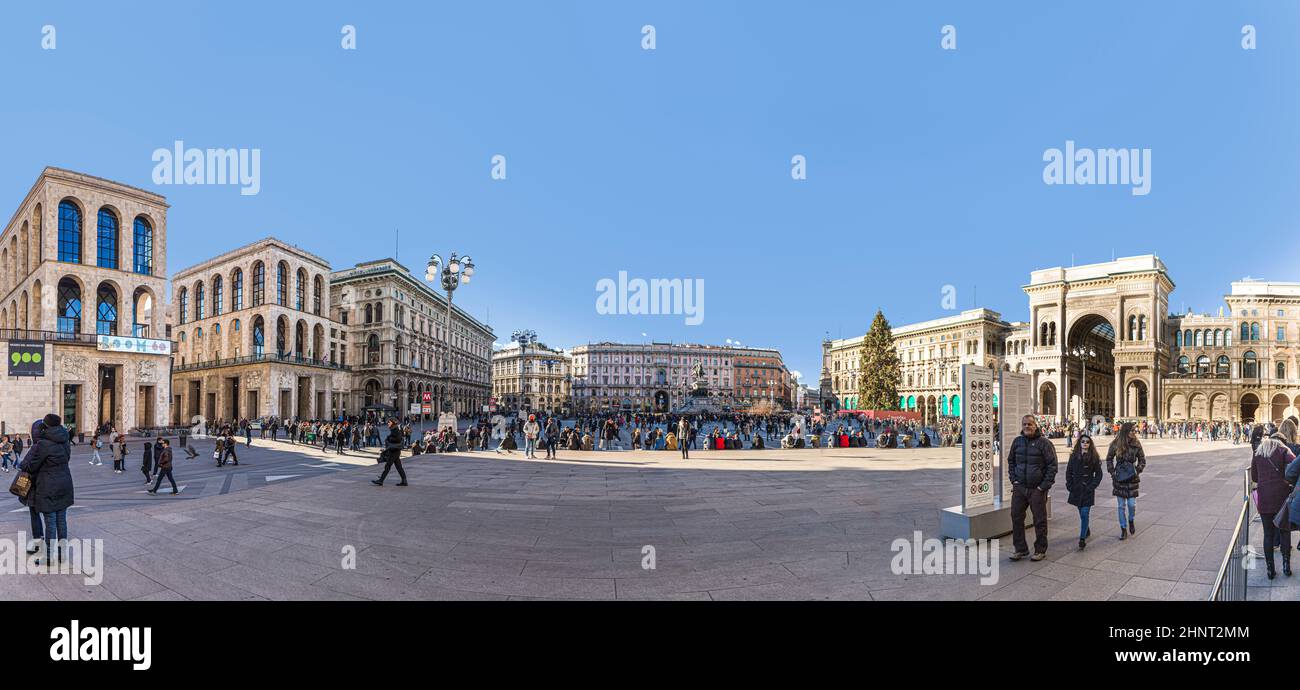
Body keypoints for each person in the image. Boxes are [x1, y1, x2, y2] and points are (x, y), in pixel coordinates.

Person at [21, 414, 74, 563]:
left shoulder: (44, 444)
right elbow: (66, 459)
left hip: (49, 486)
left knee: (50, 521)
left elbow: (31, 466)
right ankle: (61, 554)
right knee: (61, 520)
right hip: (65, 483)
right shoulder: (65, 441)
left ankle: (48, 557)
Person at [1006, 414, 1057, 561]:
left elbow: (1052, 466)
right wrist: (1014, 480)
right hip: (1020, 487)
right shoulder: (1017, 442)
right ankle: (1020, 549)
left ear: (1036, 425)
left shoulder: (1044, 443)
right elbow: (1011, 461)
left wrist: (1043, 487)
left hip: (1037, 489)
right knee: (1016, 517)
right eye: (1024, 424)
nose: (1027, 427)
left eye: (1030, 424)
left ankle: (1040, 549)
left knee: (1039, 520)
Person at [1252, 422, 1297, 579]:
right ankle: (1286, 566)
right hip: (1282, 498)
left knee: (1268, 535)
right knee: (1285, 532)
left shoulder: (1258, 452)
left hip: (1264, 498)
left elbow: (1254, 477)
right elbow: (1294, 468)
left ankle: (1270, 570)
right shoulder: (1284, 450)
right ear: (1282, 440)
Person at [1106, 422, 1146, 540]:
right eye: (1132, 430)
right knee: (1121, 506)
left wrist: (1137, 470)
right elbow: (1109, 459)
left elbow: (1142, 459)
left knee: (1131, 504)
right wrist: (1112, 473)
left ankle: (1131, 519)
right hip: (1119, 478)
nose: (1134, 432)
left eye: (1135, 430)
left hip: (1132, 478)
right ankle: (1123, 529)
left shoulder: (1137, 444)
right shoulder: (1115, 443)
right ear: (1126, 431)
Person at [1065, 433, 1103, 550]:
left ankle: (1082, 539)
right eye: (1083, 441)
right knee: (1081, 513)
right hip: (1076, 489)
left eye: (1087, 442)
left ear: (1090, 444)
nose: (1085, 443)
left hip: (1087, 490)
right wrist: (1070, 485)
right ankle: (1086, 528)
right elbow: (1068, 472)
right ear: (1079, 443)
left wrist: (1092, 486)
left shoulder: (1094, 457)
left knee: (1085, 513)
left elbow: (1099, 474)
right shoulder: (1073, 456)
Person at [373, 420, 408, 486]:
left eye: (389, 422)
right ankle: (404, 481)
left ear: (393, 423)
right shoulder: (394, 429)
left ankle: (381, 480)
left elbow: (398, 439)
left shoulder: (395, 430)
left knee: (388, 466)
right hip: (395, 451)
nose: (388, 423)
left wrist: (389, 438)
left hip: (394, 451)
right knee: (399, 467)